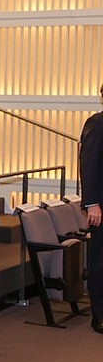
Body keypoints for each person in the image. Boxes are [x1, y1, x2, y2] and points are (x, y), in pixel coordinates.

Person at [80, 84, 103, 334]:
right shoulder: (97, 123)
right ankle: (99, 314)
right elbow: (88, 163)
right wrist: (92, 203)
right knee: (100, 261)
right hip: (101, 206)